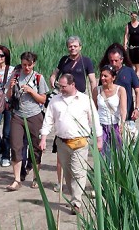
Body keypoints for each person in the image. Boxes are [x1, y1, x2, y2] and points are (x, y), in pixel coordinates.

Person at [39, 74, 103, 215]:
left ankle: (76, 202)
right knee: (67, 173)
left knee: (78, 172)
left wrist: (99, 139)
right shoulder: (55, 100)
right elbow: (48, 120)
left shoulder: (85, 100)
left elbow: (94, 120)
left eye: (63, 86)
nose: (60, 89)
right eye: (59, 86)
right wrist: (43, 138)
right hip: (62, 142)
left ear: (72, 85)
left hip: (80, 142)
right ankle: (74, 195)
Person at [49, 35, 97, 192]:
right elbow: (54, 73)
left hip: (79, 101)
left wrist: (93, 99)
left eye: (75, 46)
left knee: (77, 140)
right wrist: (53, 83)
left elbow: (92, 81)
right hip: (63, 102)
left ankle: (78, 181)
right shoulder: (64, 60)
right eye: (70, 46)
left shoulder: (86, 61)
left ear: (80, 47)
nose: (73, 48)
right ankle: (59, 181)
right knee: (61, 141)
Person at [5, 52, 48, 191]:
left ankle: (36, 177)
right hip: (17, 115)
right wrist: (11, 87)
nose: (26, 67)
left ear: (33, 64)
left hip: (34, 115)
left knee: (35, 147)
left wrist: (31, 91)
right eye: (24, 64)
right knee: (16, 146)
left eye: (29, 65)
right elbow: (8, 97)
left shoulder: (38, 78)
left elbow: (43, 99)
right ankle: (17, 179)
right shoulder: (15, 75)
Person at [99, 43, 139, 143]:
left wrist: (137, 108)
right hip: (109, 119)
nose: (113, 63)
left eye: (116, 61)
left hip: (127, 117)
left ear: (121, 60)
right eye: (111, 61)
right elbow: (100, 92)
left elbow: (138, 91)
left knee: (127, 149)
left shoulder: (129, 71)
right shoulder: (105, 74)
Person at [92, 65, 127, 160]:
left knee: (117, 153)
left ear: (113, 78)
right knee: (102, 153)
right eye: (101, 75)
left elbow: (123, 109)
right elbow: (94, 109)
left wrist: (122, 123)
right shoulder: (97, 90)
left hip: (115, 125)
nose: (102, 78)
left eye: (105, 76)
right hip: (101, 126)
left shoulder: (120, 90)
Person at [123, 11, 139, 76]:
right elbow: (126, 35)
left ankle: (137, 71)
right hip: (132, 44)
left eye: (135, 16)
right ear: (131, 16)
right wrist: (125, 44)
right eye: (132, 16)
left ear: (137, 17)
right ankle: (134, 69)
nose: (134, 17)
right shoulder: (128, 25)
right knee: (132, 57)